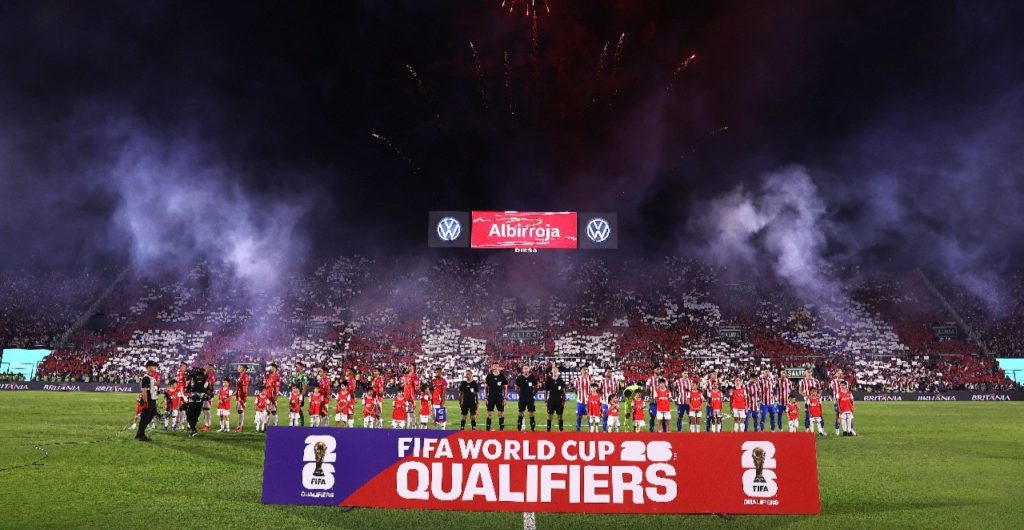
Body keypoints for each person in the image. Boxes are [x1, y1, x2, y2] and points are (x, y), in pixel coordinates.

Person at [135, 360, 159, 441]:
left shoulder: (152, 377)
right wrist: (145, 402)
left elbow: (152, 389)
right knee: (145, 417)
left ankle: (141, 433)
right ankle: (140, 435)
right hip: (148, 400)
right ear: (148, 367)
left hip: (152, 399)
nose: (155, 367)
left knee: (151, 415)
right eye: (153, 366)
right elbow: (144, 390)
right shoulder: (146, 377)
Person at [184, 367, 209, 438]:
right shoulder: (205, 382)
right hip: (198, 401)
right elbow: (207, 392)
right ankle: (193, 430)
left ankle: (193, 430)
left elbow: (187, 390)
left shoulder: (193, 381)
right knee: (194, 416)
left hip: (194, 401)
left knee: (190, 416)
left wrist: (192, 395)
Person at [484, 363, 508, 431]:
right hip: (490, 397)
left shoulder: (502, 376)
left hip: (499, 397)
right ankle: (487, 430)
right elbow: (485, 388)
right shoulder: (489, 376)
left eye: (497, 366)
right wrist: (485, 398)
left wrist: (505, 398)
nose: (495, 367)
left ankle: (501, 430)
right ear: (492, 367)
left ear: (498, 367)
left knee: (501, 413)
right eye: (494, 366)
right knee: (489, 414)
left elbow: (505, 388)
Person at [516, 365, 538, 432]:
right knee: (520, 412)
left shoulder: (532, 377)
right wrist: (520, 394)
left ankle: (532, 429)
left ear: (529, 369)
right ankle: (519, 429)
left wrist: (533, 394)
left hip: (530, 398)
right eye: (524, 368)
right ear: (523, 370)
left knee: (531, 413)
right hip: (522, 398)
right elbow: (516, 387)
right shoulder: (519, 378)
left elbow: (536, 386)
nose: (525, 370)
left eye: (527, 368)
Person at [545, 366, 567, 432]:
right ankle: (548, 430)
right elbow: (546, 391)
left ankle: (561, 430)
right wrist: (545, 400)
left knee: (560, 416)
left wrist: (564, 400)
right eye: (553, 370)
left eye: (556, 370)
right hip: (551, 400)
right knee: (549, 415)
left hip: (559, 400)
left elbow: (563, 391)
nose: (554, 371)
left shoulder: (561, 381)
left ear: (558, 372)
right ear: (552, 371)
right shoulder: (549, 380)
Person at [646, 366, 665, 432]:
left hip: (662, 401)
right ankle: (651, 429)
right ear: (654, 370)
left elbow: (666, 388)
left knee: (663, 417)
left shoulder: (663, 378)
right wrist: (650, 395)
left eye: (659, 369)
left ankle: (664, 430)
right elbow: (647, 388)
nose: (658, 370)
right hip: (653, 401)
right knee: (653, 416)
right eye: (657, 369)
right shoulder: (650, 379)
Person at [574, 366, 592, 432]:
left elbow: (593, 389)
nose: (585, 371)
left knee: (589, 417)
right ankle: (578, 429)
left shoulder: (591, 379)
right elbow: (575, 389)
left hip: (589, 402)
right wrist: (580, 395)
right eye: (584, 369)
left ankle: (590, 430)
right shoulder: (577, 379)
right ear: (581, 371)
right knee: (579, 416)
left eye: (586, 369)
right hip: (580, 402)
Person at [291, 362, 309, 426]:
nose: (296, 368)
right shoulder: (294, 375)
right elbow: (292, 385)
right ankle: (293, 423)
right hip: (293, 394)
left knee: (299, 408)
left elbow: (305, 385)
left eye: (297, 366)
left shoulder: (303, 375)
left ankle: (302, 423)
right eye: (295, 366)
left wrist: (302, 395)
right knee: (292, 408)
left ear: (301, 367)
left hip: (299, 394)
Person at [265, 363, 281, 427]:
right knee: (267, 411)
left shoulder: (276, 376)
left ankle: (275, 425)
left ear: (274, 368)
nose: (270, 368)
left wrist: (276, 395)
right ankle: (266, 425)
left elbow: (277, 386)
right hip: (267, 395)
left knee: (274, 411)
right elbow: (266, 385)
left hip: (273, 396)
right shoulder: (268, 376)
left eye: (271, 367)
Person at [235, 364, 250, 432]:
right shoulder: (240, 376)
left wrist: (244, 397)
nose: (239, 368)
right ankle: (239, 425)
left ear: (244, 369)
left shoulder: (245, 377)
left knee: (241, 411)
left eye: (240, 367)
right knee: (238, 410)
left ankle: (240, 427)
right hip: (238, 395)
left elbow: (245, 389)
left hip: (241, 396)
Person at [201, 363, 216, 432]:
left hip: (208, 394)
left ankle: (208, 425)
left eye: (210, 368)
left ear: (212, 369)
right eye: (208, 367)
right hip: (204, 394)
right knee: (204, 410)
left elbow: (210, 386)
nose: (208, 369)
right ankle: (206, 424)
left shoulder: (211, 376)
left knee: (207, 410)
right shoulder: (205, 375)